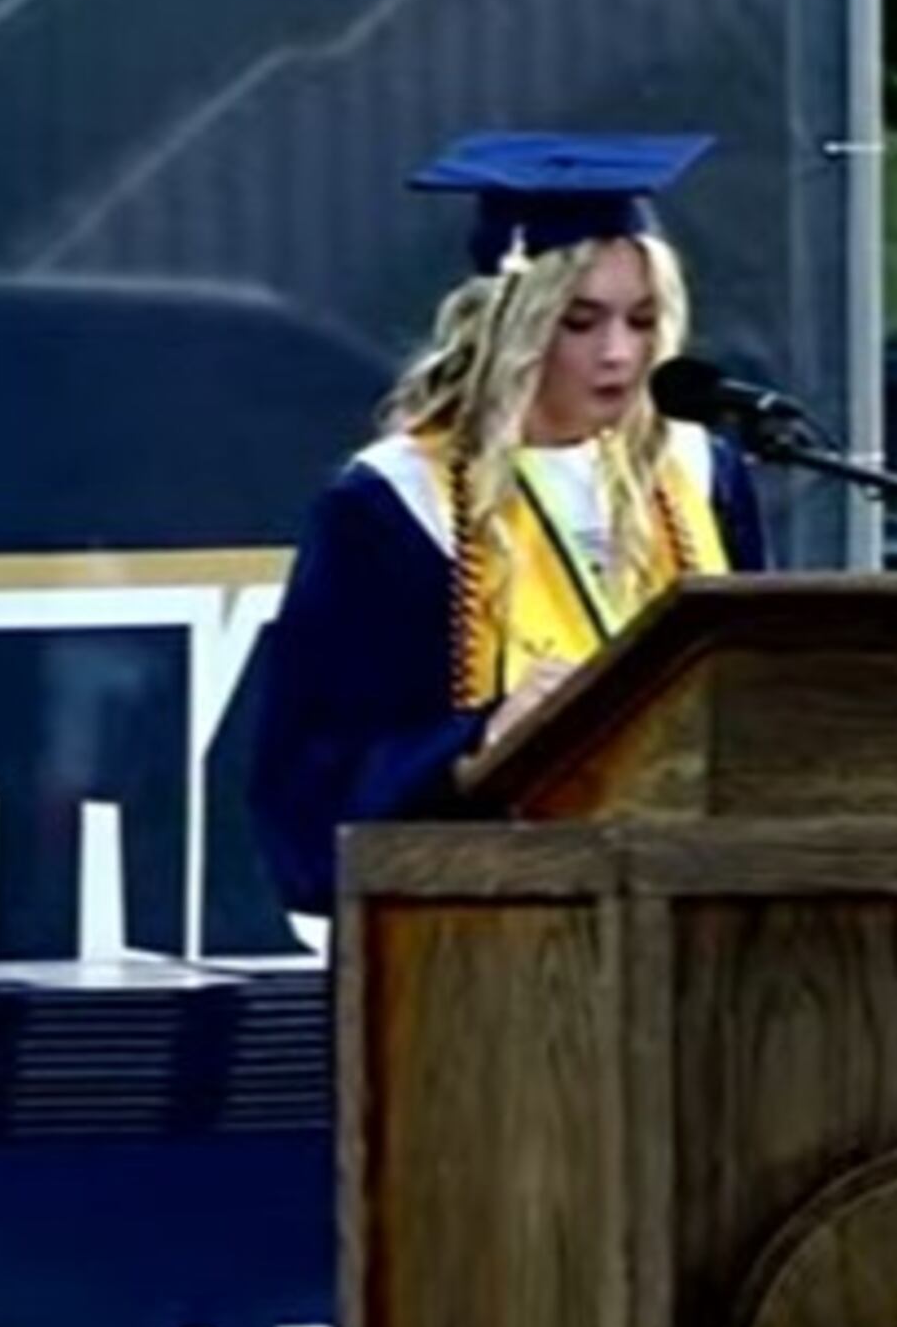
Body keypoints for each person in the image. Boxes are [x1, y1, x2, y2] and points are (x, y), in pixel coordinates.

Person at [247, 131, 768, 913]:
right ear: (511, 326)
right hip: (485, 925)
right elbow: (314, 773)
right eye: (580, 321)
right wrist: (478, 739)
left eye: (642, 319)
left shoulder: (701, 473)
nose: (621, 354)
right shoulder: (393, 504)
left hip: (686, 902)